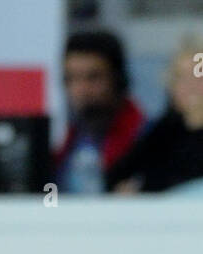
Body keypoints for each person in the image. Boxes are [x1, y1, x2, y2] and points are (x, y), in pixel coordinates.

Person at [53, 31, 147, 195]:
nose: (81, 90)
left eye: (93, 78)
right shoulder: (69, 143)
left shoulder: (148, 138)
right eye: (72, 78)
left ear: (118, 79)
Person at [108, 37, 203, 195]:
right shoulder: (163, 131)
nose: (190, 85)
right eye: (181, 77)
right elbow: (116, 176)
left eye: (198, 76)